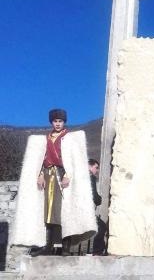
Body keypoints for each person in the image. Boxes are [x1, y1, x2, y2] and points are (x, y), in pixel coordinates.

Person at [12, 109, 97, 256]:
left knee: (65, 211)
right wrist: (40, 175)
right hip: (48, 176)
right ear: (52, 122)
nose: (58, 124)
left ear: (64, 122)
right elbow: (41, 159)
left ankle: (65, 247)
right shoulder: (45, 139)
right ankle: (48, 246)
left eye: (60, 121)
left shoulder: (69, 138)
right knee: (48, 212)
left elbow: (74, 160)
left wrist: (68, 175)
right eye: (55, 121)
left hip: (62, 175)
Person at [88, 158, 107, 255]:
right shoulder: (90, 177)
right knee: (102, 226)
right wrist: (99, 199)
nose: (97, 170)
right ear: (90, 166)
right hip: (86, 212)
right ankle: (97, 251)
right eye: (96, 167)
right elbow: (94, 196)